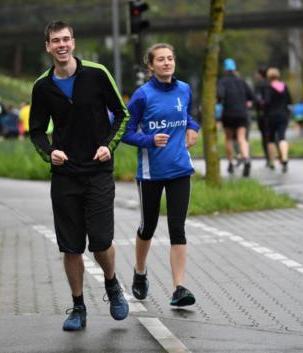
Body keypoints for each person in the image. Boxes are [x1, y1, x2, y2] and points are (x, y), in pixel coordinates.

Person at [29, 20, 130, 331]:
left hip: (98, 171)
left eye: (66, 39)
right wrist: (50, 153)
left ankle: (112, 285)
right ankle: (77, 307)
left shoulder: (97, 74)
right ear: (47, 46)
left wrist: (109, 145)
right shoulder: (42, 86)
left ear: (73, 42)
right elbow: (36, 131)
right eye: (55, 41)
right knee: (71, 247)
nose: (61, 45)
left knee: (100, 242)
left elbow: (122, 115)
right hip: (65, 175)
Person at [122, 43, 200, 307]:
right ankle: (140, 272)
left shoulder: (184, 89)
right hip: (150, 173)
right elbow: (126, 132)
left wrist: (193, 127)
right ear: (151, 66)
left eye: (170, 58)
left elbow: (188, 114)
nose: (167, 63)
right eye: (161, 60)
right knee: (148, 227)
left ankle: (178, 288)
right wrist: (149, 140)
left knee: (178, 229)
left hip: (180, 168)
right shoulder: (142, 96)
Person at [217, 58, 254, 177]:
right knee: (242, 138)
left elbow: (219, 95)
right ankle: (246, 159)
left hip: (228, 113)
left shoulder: (222, 81)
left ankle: (231, 163)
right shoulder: (242, 81)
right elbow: (251, 96)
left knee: (228, 138)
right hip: (242, 113)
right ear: (234, 68)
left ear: (225, 69)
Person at [265, 67, 293, 172]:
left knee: (271, 139)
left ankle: (272, 161)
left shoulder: (268, 88)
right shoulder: (285, 87)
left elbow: (266, 102)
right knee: (282, 137)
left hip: (271, 116)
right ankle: (285, 158)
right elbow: (290, 101)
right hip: (283, 115)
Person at [253, 67, 270, 166]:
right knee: (272, 137)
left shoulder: (259, 85)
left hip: (262, 115)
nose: (255, 76)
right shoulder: (269, 84)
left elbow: (256, 99)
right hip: (270, 114)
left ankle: (268, 158)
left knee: (264, 137)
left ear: (260, 75)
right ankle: (276, 156)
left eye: (256, 74)